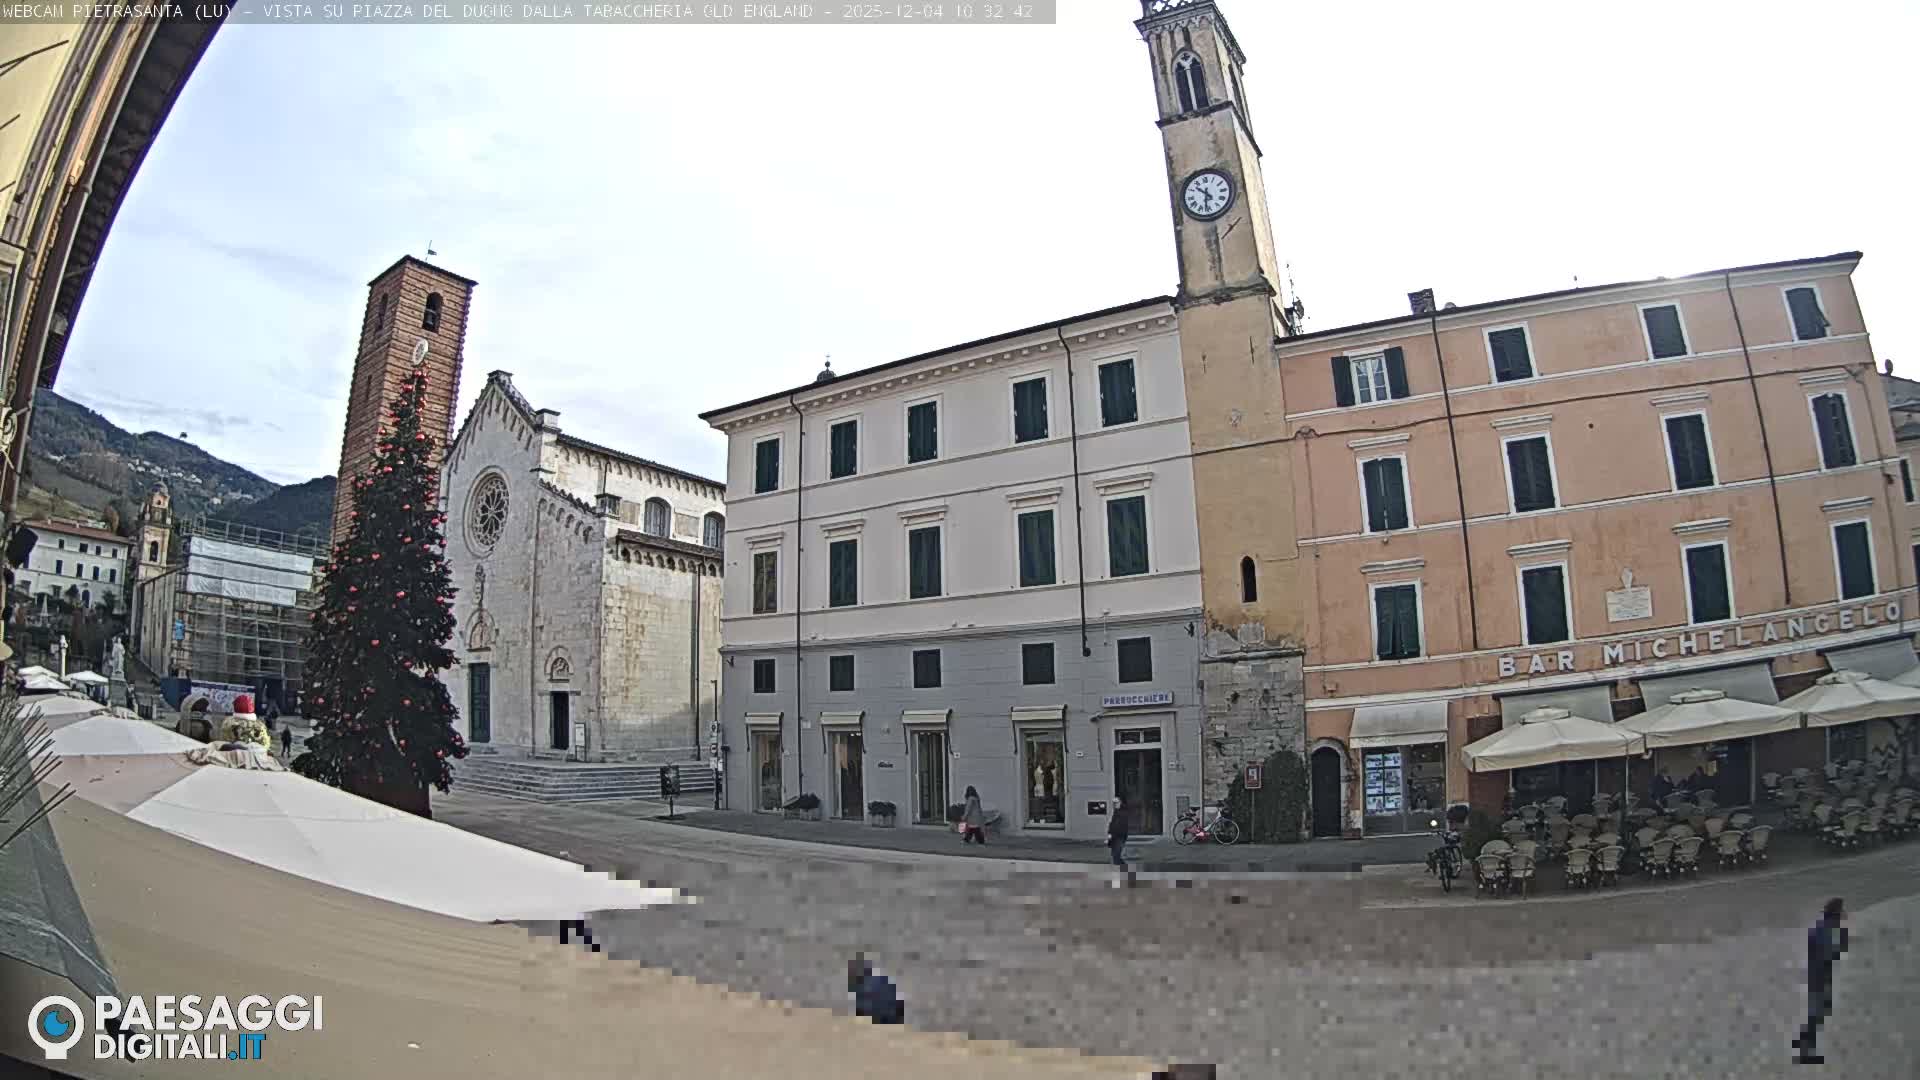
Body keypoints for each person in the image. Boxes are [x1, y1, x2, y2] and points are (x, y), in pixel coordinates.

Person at [1795, 897, 1847, 1063]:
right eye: (1841, 912)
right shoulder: (1825, 929)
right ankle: (1805, 1050)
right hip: (1819, 976)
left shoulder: (1822, 927)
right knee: (1816, 1013)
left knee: (1818, 1012)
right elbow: (1827, 955)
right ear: (1835, 914)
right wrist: (1839, 949)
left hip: (1817, 975)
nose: (1843, 915)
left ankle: (1805, 1045)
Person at [847, 954, 904, 1025]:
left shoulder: (865, 986)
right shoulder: (882, 979)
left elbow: (862, 1008)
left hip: (886, 1017)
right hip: (893, 1014)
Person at [1108, 796, 1129, 868]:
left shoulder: (1122, 812)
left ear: (1120, 803)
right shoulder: (1116, 812)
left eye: (1116, 803)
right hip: (1116, 837)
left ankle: (1126, 871)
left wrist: (1111, 834)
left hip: (1120, 837)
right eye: (1113, 803)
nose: (1114, 804)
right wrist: (1110, 833)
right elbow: (1113, 824)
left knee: (1116, 856)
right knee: (1115, 856)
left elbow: (1118, 826)